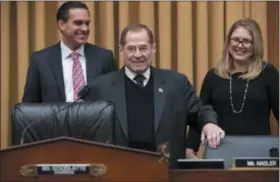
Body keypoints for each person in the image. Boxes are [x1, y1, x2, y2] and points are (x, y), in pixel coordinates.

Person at [85, 24, 225, 168]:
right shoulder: (100, 88)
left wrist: (209, 123)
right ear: (121, 51)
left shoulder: (176, 83)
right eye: (131, 49)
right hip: (117, 171)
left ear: (153, 49)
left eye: (143, 48)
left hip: (166, 171)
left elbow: (200, 112)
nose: (138, 54)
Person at [185, 18, 279, 159]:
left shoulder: (268, 73)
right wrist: (189, 149)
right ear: (228, 42)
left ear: (256, 45)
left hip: (259, 153)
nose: (240, 45)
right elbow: (200, 114)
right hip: (219, 151)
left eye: (246, 41)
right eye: (235, 39)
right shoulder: (213, 75)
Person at [22, 1, 117, 103]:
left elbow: (115, 98)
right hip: (54, 119)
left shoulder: (104, 57)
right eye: (78, 23)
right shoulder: (40, 60)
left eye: (87, 23)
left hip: (95, 119)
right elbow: (29, 106)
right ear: (62, 25)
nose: (85, 28)